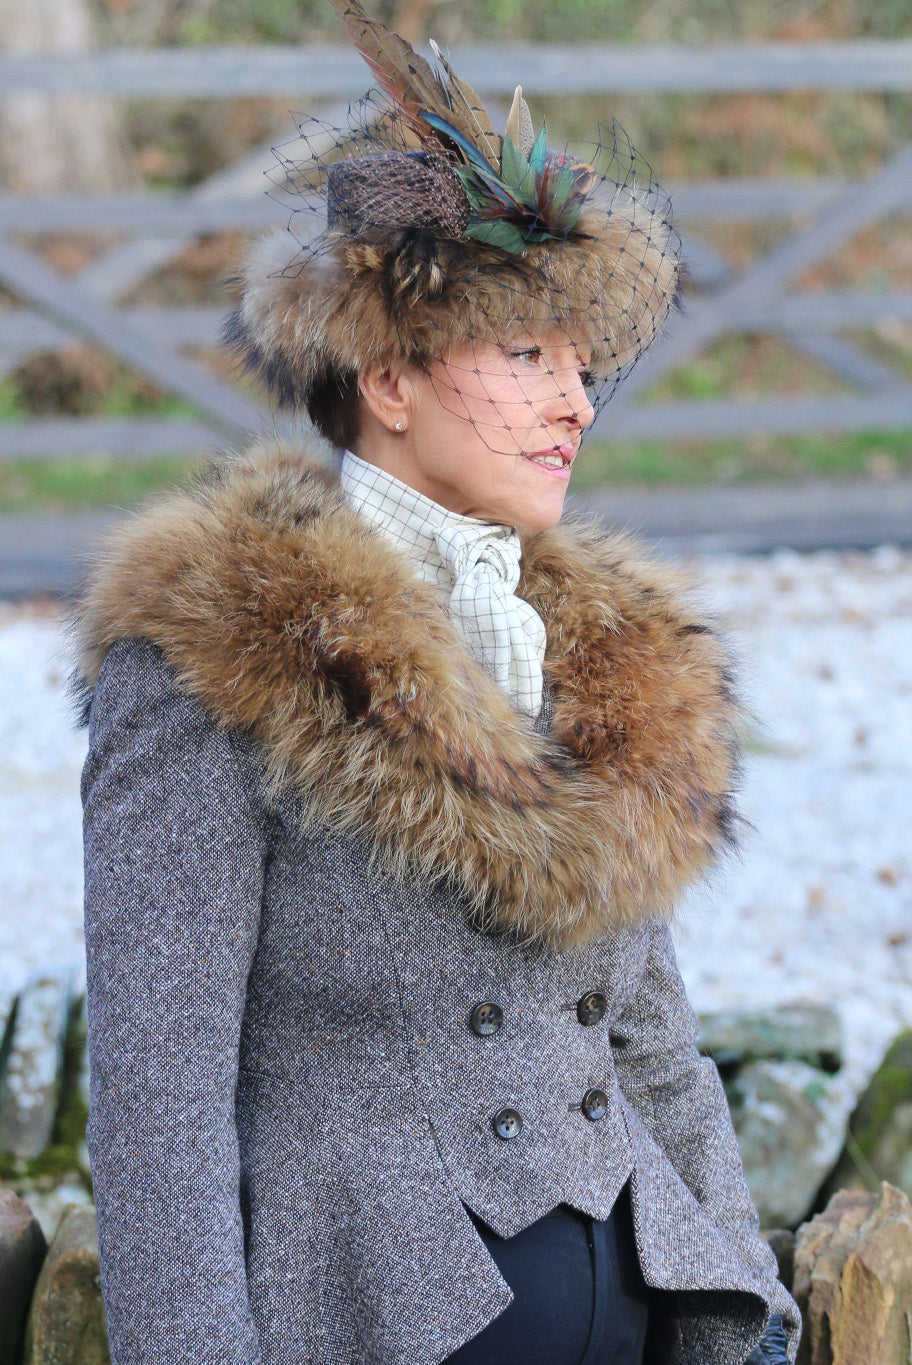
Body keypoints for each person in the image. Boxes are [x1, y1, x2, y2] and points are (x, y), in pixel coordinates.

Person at [71, 3, 800, 1361]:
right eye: (526, 355)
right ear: (390, 377)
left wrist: (749, 1299)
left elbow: (648, 1040)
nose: (575, 402)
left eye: (581, 363)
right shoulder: (211, 656)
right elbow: (160, 1103)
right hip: (382, 1321)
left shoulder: (603, 658)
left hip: (645, 1315)